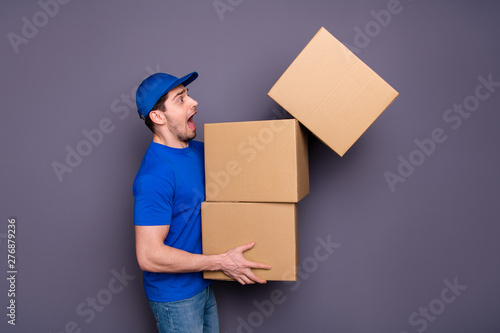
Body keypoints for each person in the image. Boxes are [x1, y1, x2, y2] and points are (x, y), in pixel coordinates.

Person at [133, 71, 271, 333]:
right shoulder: (155, 176)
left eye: (189, 95)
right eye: (181, 99)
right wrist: (221, 262)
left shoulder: (199, 151)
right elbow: (149, 256)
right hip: (175, 299)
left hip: (203, 284)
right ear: (158, 116)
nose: (193, 102)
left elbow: (255, 157)